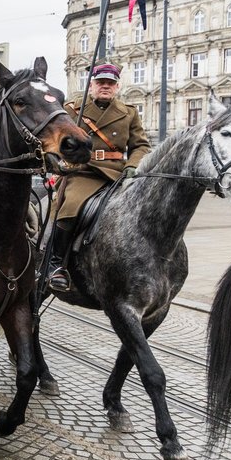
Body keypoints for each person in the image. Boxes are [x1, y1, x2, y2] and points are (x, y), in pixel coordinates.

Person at [47, 62, 151, 291]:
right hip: (83, 171)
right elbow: (56, 140)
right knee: (71, 206)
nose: (105, 86)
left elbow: (140, 145)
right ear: (91, 85)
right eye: (101, 82)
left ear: (117, 86)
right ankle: (55, 264)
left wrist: (133, 166)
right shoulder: (73, 110)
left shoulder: (129, 112)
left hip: (117, 173)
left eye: (110, 83)